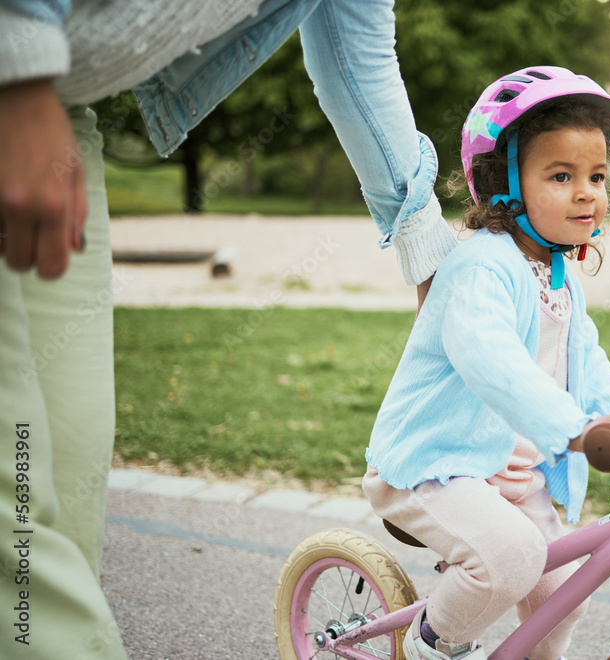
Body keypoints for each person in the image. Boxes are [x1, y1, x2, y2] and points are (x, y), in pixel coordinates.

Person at [0, 1, 456, 658]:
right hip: (23, 91)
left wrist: (430, 261)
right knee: (19, 534)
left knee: (67, 473)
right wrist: (19, 67)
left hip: (59, 120)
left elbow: (356, 52)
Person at [362, 66, 610, 660]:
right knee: (511, 560)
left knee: (563, 591)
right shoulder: (481, 268)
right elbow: (493, 363)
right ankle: (430, 647)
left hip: (509, 477)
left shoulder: (559, 278)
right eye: (562, 175)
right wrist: (575, 430)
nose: (587, 191)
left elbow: (593, 376)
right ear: (503, 186)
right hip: (435, 465)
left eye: (597, 175)